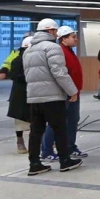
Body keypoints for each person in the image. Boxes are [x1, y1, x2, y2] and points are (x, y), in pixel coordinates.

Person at [23, 18, 82, 175]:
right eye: (55, 31)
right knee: (60, 129)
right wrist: (72, 91)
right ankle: (65, 161)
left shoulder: (28, 50)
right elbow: (60, 73)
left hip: (34, 98)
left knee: (35, 132)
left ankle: (34, 164)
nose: (56, 34)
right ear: (50, 31)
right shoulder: (52, 48)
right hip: (52, 97)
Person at [41, 26, 86, 160]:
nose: (76, 39)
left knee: (72, 121)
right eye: (73, 37)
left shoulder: (70, 51)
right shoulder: (60, 52)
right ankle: (47, 151)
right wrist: (70, 91)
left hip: (74, 93)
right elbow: (61, 75)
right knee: (56, 123)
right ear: (64, 39)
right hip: (64, 94)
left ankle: (69, 147)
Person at [0, 36, 33, 154]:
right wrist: (3, 71)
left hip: (30, 91)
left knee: (35, 118)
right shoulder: (16, 56)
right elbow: (7, 66)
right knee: (20, 118)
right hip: (20, 92)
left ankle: (36, 141)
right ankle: (20, 141)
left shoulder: (35, 56)